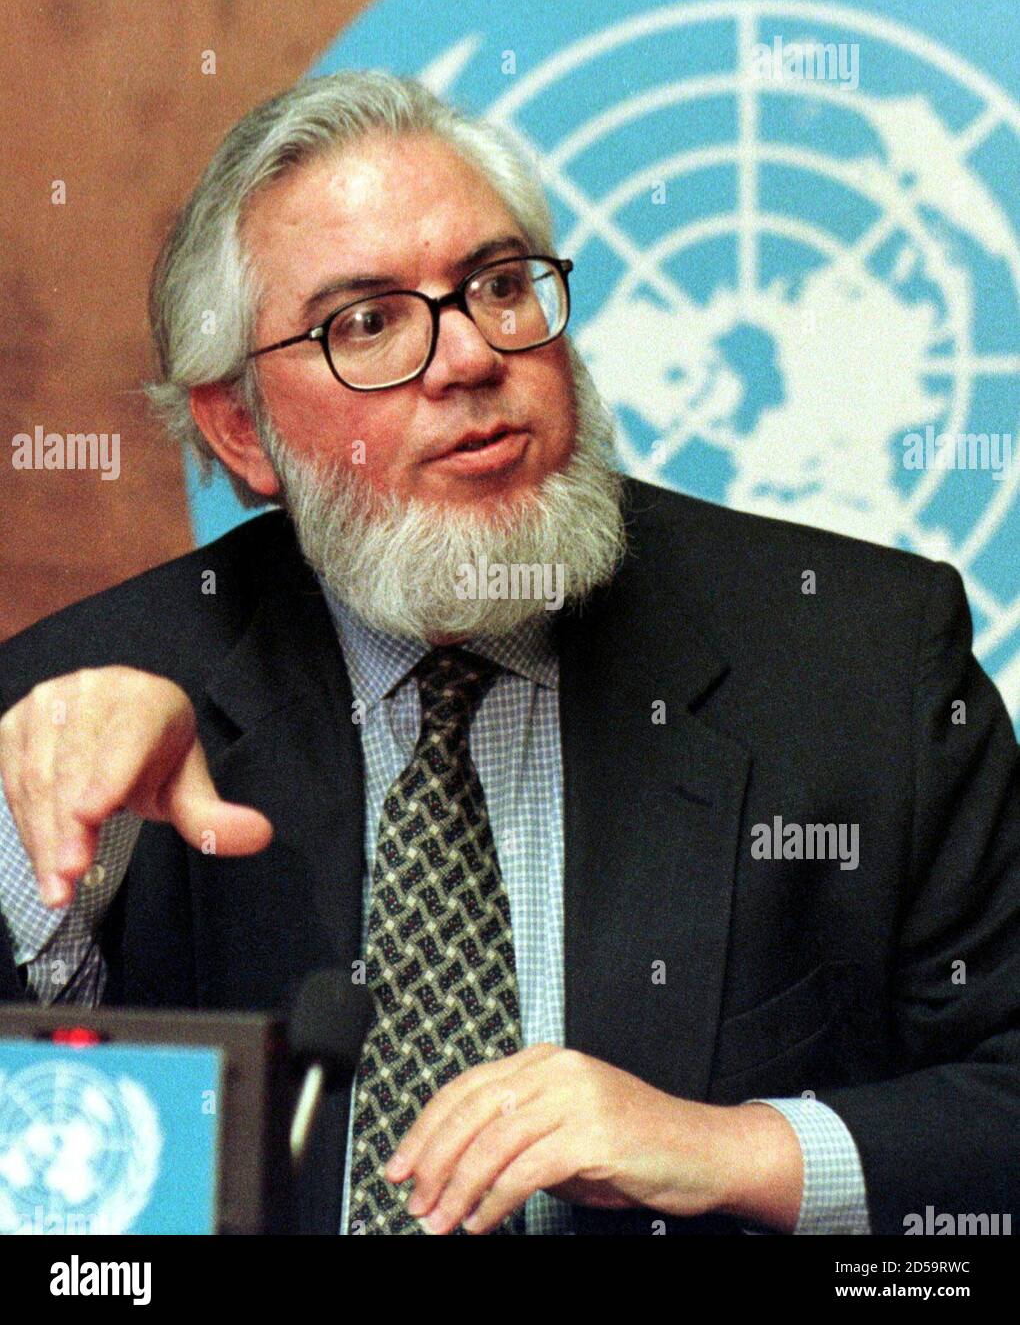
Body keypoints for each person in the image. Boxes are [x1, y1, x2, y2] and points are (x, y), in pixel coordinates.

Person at [1, 70, 1017, 1237]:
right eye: (368, 322)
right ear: (242, 427)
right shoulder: (92, 694)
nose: (470, 357)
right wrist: (51, 864)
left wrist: (739, 1146)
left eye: (498, 286)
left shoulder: (862, 660)